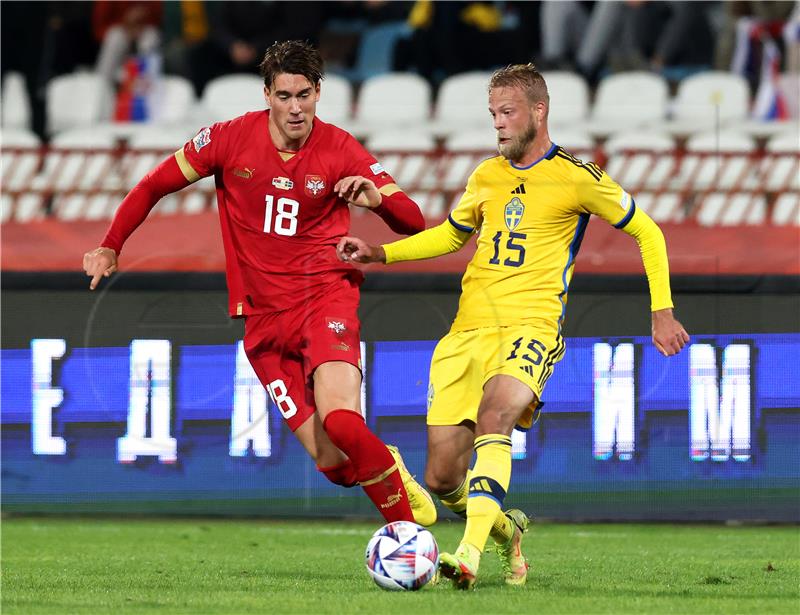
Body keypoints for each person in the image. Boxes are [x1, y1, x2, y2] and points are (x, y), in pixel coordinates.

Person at [337, 63, 690, 589]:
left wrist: (661, 309)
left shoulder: (576, 176)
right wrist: (378, 253)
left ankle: (469, 554)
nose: (498, 124)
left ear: (539, 111)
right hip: (466, 333)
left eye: (508, 112)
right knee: (441, 478)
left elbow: (648, 232)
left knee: (496, 414)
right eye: (493, 114)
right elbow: (451, 237)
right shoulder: (486, 176)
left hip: (533, 326)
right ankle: (509, 536)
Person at [83, 40, 436, 528]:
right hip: (262, 319)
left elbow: (414, 221)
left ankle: (408, 538)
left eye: (305, 95)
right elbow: (152, 185)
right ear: (267, 93)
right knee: (335, 466)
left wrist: (377, 200)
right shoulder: (227, 139)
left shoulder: (340, 148)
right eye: (285, 95)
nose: (296, 108)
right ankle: (387, 466)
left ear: (319, 94)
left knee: (342, 421)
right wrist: (110, 244)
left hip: (324, 297)